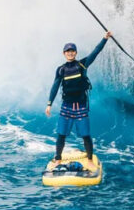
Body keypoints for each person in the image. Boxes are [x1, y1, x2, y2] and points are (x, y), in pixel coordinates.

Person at [46, 30, 112, 169]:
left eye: (72, 51)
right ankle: (58, 159)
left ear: (75, 53)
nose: (70, 53)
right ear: (64, 53)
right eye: (67, 51)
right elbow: (55, 86)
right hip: (66, 106)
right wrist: (49, 104)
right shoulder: (61, 70)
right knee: (61, 134)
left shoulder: (82, 64)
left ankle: (89, 160)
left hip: (80, 106)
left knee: (85, 135)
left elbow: (96, 51)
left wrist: (105, 38)